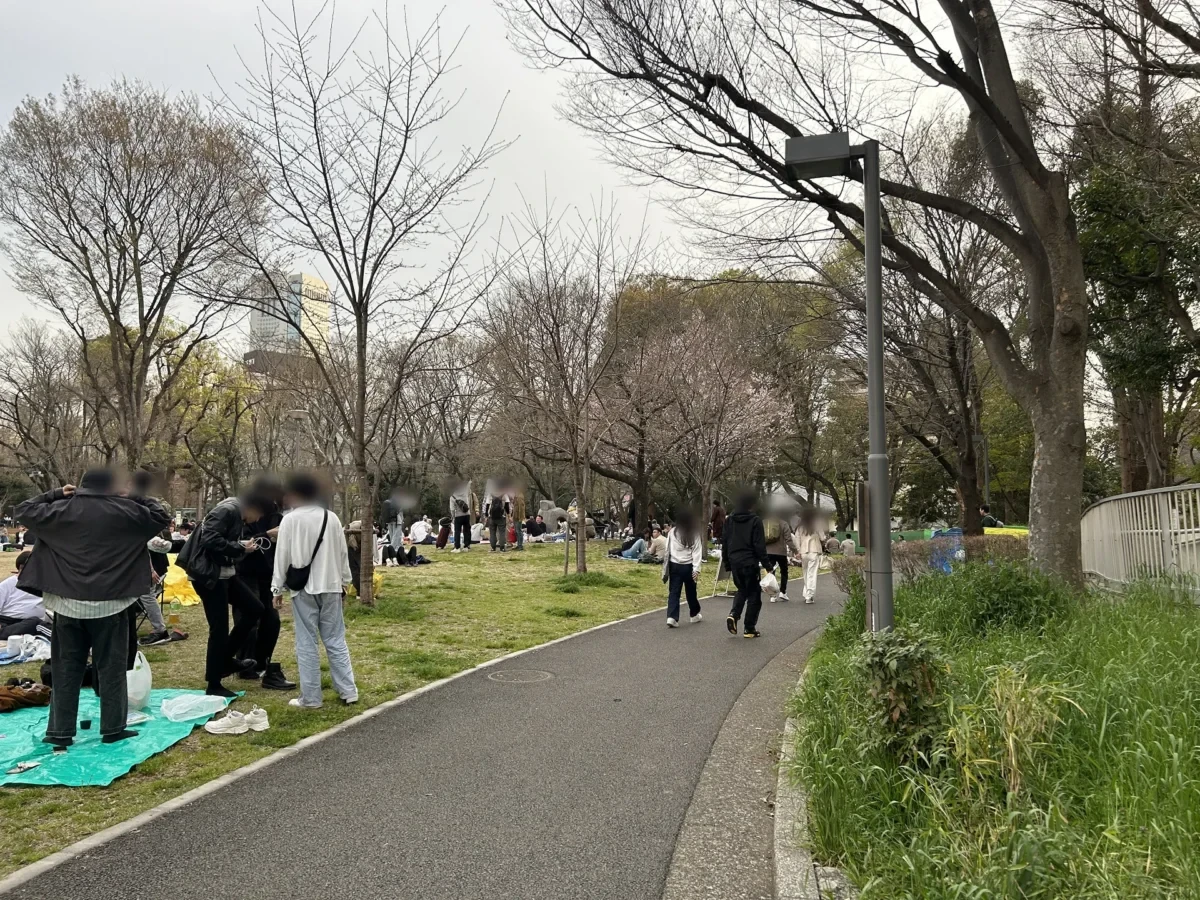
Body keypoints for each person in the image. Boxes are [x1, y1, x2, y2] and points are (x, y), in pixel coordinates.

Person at [16, 469, 170, 747]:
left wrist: (54, 494)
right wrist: (134, 495)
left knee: (65, 671)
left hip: (65, 604)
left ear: (81, 485)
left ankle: (59, 733)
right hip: (112, 604)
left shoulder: (60, 509)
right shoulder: (125, 510)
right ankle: (112, 729)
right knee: (111, 669)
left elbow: (24, 509)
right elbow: (161, 517)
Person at [271, 473, 357, 709]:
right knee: (335, 639)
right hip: (331, 585)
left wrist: (276, 587)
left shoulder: (290, 520)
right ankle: (348, 690)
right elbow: (343, 553)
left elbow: (282, 557)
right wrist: (345, 582)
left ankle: (311, 698)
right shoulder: (332, 518)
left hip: (304, 588)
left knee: (306, 643)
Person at [176, 491, 270, 697]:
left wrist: (240, 546)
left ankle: (225, 660)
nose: (258, 520)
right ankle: (214, 683)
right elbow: (209, 539)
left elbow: (220, 540)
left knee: (255, 608)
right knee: (219, 628)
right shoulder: (227, 510)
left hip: (225, 574)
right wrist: (239, 547)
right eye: (260, 515)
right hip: (209, 576)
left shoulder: (235, 512)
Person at [231, 476, 295, 692]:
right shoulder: (242, 512)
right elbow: (241, 542)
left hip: (267, 574)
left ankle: (262, 661)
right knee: (249, 620)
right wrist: (267, 534)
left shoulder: (277, 515)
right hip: (245, 573)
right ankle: (244, 663)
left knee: (272, 621)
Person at [722, 490, 774, 638]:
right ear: (751, 504)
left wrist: (727, 563)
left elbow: (725, 542)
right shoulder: (755, 520)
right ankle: (749, 628)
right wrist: (767, 565)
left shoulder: (729, 520)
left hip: (734, 561)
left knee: (742, 589)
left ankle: (734, 614)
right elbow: (759, 545)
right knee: (754, 595)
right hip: (750, 561)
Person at [663, 509, 704, 628]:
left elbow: (667, 549)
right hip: (689, 566)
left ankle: (672, 617)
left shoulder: (672, 532)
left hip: (674, 565)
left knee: (674, 592)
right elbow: (697, 552)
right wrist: (696, 569)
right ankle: (694, 614)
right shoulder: (694, 533)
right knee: (691, 592)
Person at [0, 550, 46, 639]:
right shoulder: (7, 584)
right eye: (22, 569)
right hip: (8, 622)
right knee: (36, 623)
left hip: (27, 623)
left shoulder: (43, 585)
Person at [795, 507, 824, 604]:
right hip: (814, 551)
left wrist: (798, 551)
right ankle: (809, 596)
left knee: (806, 573)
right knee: (812, 574)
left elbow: (796, 539)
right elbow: (822, 537)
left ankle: (806, 593)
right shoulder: (817, 523)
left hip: (803, 552)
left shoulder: (800, 526)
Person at [764, 511, 795, 603]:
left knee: (770, 572)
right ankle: (783, 592)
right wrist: (795, 550)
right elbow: (788, 539)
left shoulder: (765, 523)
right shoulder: (784, 523)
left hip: (768, 551)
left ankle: (772, 595)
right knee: (784, 571)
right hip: (781, 552)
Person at [449, 480, 473, 552]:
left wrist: (453, 517)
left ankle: (457, 547)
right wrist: (469, 482)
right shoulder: (465, 492)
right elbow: (468, 486)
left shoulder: (452, 497)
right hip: (467, 514)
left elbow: (452, 509)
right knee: (467, 530)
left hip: (458, 516)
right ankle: (466, 546)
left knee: (457, 531)